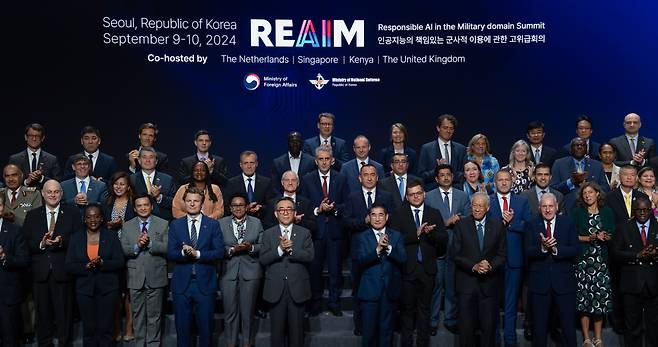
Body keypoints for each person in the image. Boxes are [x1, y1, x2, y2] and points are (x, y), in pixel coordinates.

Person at [23, 179, 82, 347]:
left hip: (63, 271)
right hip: (40, 273)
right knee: (42, 313)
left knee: (64, 313)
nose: (53, 195)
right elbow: (25, 243)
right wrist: (41, 244)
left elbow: (78, 240)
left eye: (56, 192)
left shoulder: (72, 213)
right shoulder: (32, 215)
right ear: (42, 194)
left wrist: (61, 242)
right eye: (49, 192)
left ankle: (65, 343)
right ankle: (45, 343)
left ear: (61, 194)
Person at [389, 180, 448, 347]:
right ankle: (406, 344)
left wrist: (431, 235)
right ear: (407, 197)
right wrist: (415, 235)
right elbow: (394, 240)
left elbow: (444, 238)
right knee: (407, 310)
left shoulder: (433, 213)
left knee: (425, 310)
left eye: (418, 193)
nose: (416, 196)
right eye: (412, 194)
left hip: (427, 270)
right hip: (407, 270)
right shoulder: (399, 214)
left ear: (424, 194)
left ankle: (423, 343)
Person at [167, 186, 224, 347]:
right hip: (182, 285)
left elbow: (219, 252)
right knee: (182, 331)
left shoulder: (212, 225)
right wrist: (185, 254)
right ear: (184, 203)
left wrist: (198, 254)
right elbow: (171, 253)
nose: (192, 204)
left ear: (202, 203)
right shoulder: (176, 225)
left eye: (196, 201)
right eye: (189, 201)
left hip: (205, 284)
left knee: (206, 330)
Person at [451, 192, 507, 347]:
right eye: (474, 205)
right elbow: (455, 254)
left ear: (487, 208)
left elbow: (502, 254)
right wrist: (474, 266)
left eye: (480, 206)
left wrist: (490, 266)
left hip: (489, 286)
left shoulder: (497, 225)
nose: (476, 209)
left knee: (488, 330)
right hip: (466, 286)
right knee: (466, 330)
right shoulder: (461, 225)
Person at [343, 164, 394, 329]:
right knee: (359, 288)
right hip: (359, 250)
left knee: (385, 288)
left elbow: (392, 220)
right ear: (360, 178)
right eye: (366, 175)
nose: (370, 178)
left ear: (377, 177)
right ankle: (360, 324)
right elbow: (346, 222)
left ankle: (383, 325)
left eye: (373, 174)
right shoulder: (352, 197)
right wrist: (363, 222)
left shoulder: (386, 196)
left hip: (384, 249)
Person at [65, 204, 125, 347]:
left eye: (96, 216)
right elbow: (68, 265)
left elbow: (119, 262)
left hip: (108, 289)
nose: (93, 220)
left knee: (106, 330)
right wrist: (85, 267)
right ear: (84, 219)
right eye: (89, 217)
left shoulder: (111, 236)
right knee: (89, 330)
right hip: (85, 290)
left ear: (102, 218)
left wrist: (103, 263)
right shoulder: (76, 238)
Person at [300, 147, 349, 319]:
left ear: (332, 160)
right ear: (316, 161)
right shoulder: (307, 179)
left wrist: (335, 209)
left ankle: (334, 303)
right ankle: (316, 302)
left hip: (335, 232)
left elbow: (346, 204)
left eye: (327, 158)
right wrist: (318, 210)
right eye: (320, 159)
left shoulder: (341, 178)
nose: (324, 162)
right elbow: (304, 205)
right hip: (316, 232)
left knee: (335, 270)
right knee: (315, 270)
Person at [525, 193, 579, 347]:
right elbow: (527, 251)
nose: (547, 210)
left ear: (556, 207)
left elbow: (575, 249)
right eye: (544, 206)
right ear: (539, 208)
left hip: (564, 283)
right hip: (539, 284)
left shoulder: (568, 223)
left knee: (568, 326)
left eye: (550, 206)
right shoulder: (531, 224)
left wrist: (555, 249)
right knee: (539, 328)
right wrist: (542, 248)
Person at [260, 197, 314, 347]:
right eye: (281, 210)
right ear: (276, 214)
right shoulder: (268, 234)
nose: (285, 212)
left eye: (289, 209)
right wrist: (279, 250)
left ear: (294, 213)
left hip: (297, 290)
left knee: (297, 335)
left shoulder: (305, 233)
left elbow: (309, 256)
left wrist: (290, 250)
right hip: (275, 290)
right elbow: (263, 259)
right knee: (276, 335)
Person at [487, 170, 532, 347]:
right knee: (492, 303)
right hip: (492, 260)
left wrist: (511, 223)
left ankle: (511, 339)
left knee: (511, 303)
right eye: (500, 180)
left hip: (514, 260)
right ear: (495, 182)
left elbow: (528, 226)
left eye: (507, 180)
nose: (504, 183)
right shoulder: (487, 201)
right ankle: (495, 340)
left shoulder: (521, 202)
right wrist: (501, 223)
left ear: (512, 181)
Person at [425, 164, 471, 335]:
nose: (445, 177)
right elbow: (427, 220)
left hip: (457, 249)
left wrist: (459, 219)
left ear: (453, 177)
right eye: (442, 175)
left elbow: (468, 219)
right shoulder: (428, 197)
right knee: (436, 286)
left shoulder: (463, 196)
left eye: (448, 175)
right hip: (436, 248)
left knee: (452, 287)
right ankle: (433, 320)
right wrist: (446, 222)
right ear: (436, 179)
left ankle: (451, 319)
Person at [354, 203, 406, 347]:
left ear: (387, 217)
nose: (377, 218)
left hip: (389, 292)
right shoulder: (361, 237)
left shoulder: (396, 235)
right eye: (373, 215)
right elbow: (359, 261)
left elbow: (403, 259)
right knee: (369, 335)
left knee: (387, 334)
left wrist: (388, 248)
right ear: (369, 218)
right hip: (370, 293)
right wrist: (377, 250)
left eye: (380, 215)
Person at [120, 194, 169, 347]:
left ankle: (154, 344)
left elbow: (168, 247)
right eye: (139, 205)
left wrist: (149, 244)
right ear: (135, 208)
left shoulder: (163, 224)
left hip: (156, 275)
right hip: (135, 276)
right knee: (138, 315)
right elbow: (123, 248)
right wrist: (137, 246)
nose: (143, 208)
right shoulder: (127, 225)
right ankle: (140, 343)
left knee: (154, 315)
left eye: (146, 205)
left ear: (151, 206)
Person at [604, 164, 646, 334]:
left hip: (638, 249)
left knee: (637, 285)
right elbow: (607, 221)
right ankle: (618, 322)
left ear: (636, 178)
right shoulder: (609, 197)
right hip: (617, 247)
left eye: (632, 175)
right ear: (619, 177)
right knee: (616, 284)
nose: (629, 177)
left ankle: (637, 322)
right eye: (625, 175)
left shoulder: (642, 196)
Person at [611, 196, 658, 347]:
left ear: (651, 210)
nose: (643, 213)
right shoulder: (624, 227)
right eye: (639, 210)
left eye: (646, 210)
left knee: (654, 328)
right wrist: (637, 255)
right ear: (633, 210)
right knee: (632, 328)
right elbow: (615, 253)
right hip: (632, 284)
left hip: (654, 283)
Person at [572, 183, 614, 347]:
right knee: (584, 300)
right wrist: (588, 238)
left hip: (601, 262)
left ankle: (598, 337)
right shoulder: (577, 212)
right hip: (583, 262)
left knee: (599, 300)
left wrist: (606, 236)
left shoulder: (607, 211)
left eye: (590, 192)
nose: (587, 195)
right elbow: (572, 236)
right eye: (584, 194)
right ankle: (586, 338)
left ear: (597, 194)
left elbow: (613, 232)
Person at [219, 193, 264, 347]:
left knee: (247, 312)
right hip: (228, 272)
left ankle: (247, 343)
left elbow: (263, 245)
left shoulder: (256, 223)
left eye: (241, 205)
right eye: (235, 205)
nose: (238, 208)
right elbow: (217, 246)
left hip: (250, 271)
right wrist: (232, 250)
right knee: (230, 312)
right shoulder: (221, 223)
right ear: (230, 208)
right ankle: (231, 343)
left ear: (246, 207)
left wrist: (250, 247)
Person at [0, 193, 30, 347]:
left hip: (6, 294)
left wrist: (5, 257)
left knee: (9, 339)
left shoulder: (14, 230)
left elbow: (23, 259)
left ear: (2, 207)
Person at [551, 137, 609, 213]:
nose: (579, 147)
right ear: (571, 149)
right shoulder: (559, 164)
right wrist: (571, 181)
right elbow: (553, 189)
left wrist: (591, 187)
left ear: (586, 149)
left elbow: (605, 188)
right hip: (568, 209)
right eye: (576, 145)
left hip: (593, 210)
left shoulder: (597, 165)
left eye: (582, 145)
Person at [418, 114, 467, 190]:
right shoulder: (426, 149)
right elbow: (421, 176)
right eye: (445, 128)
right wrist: (436, 170)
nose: (448, 131)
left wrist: (450, 174)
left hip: (456, 192)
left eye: (451, 128)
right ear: (438, 128)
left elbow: (463, 174)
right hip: (433, 192)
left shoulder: (461, 149)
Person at [8, 123, 62, 188]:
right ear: (26, 137)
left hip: (43, 197)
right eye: (31, 135)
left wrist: (41, 178)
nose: (34, 139)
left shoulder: (52, 159)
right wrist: (26, 181)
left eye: (37, 136)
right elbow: (10, 182)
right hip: (23, 197)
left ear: (42, 138)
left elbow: (57, 183)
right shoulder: (15, 159)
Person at [130, 147, 177, 221]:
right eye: (144, 157)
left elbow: (175, 203)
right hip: (137, 223)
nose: (148, 160)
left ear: (156, 161)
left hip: (162, 223)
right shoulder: (131, 179)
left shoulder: (167, 179)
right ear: (139, 161)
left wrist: (159, 197)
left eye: (151, 157)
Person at [223, 151, 272, 219]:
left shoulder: (266, 182)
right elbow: (227, 206)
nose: (249, 166)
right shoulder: (231, 183)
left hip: (261, 222)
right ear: (240, 165)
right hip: (239, 221)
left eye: (252, 163)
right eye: (246, 163)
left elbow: (270, 204)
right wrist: (246, 208)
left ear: (256, 164)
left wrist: (260, 208)